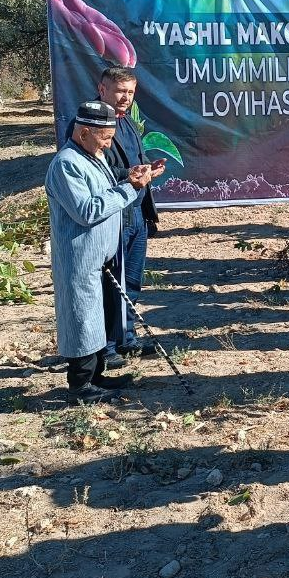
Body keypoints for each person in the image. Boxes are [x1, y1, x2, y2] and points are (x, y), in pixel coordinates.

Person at [46, 101, 157, 402]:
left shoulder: (93, 157)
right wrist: (130, 190)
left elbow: (106, 183)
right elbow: (87, 210)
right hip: (79, 258)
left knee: (96, 316)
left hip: (99, 257)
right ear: (84, 133)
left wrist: (129, 176)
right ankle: (80, 386)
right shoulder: (67, 164)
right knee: (81, 317)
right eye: (105, 138)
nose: (109, 143)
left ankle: (96, 376)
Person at [97, 67, 162, 369]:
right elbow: (95, 172)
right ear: (103, 90)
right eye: (120, 91)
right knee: (111, 282)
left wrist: (149, 169)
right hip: (113, 215)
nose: (125, 97)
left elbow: (137, 162)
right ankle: (106, 347)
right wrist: (130, 175)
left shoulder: (128, 124)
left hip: (136, 212)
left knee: (132, 281)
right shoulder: (92, 124)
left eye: (130, 92)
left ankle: (127, 338)